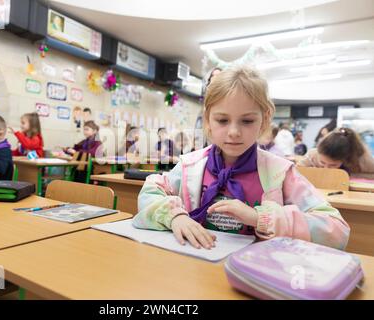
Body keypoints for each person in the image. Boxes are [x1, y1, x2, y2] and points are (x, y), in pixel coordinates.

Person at [133, 65, 349, 251]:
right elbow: (151, 192)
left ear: (264, 121)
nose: (234, 132)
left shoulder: (280, 173)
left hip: (256, 274)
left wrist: (259, 219)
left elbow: (336, 229)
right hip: (196, 266)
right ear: (208, 120)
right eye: (222, 120)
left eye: (246, 121)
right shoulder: (191, 165)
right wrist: (176, 217)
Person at [298, 127, 374, 174]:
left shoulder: (363, 160)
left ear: (346, 159)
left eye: (333, 165)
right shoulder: (313, 155)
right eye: (322, 162)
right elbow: (297, 171)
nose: (326, 169)